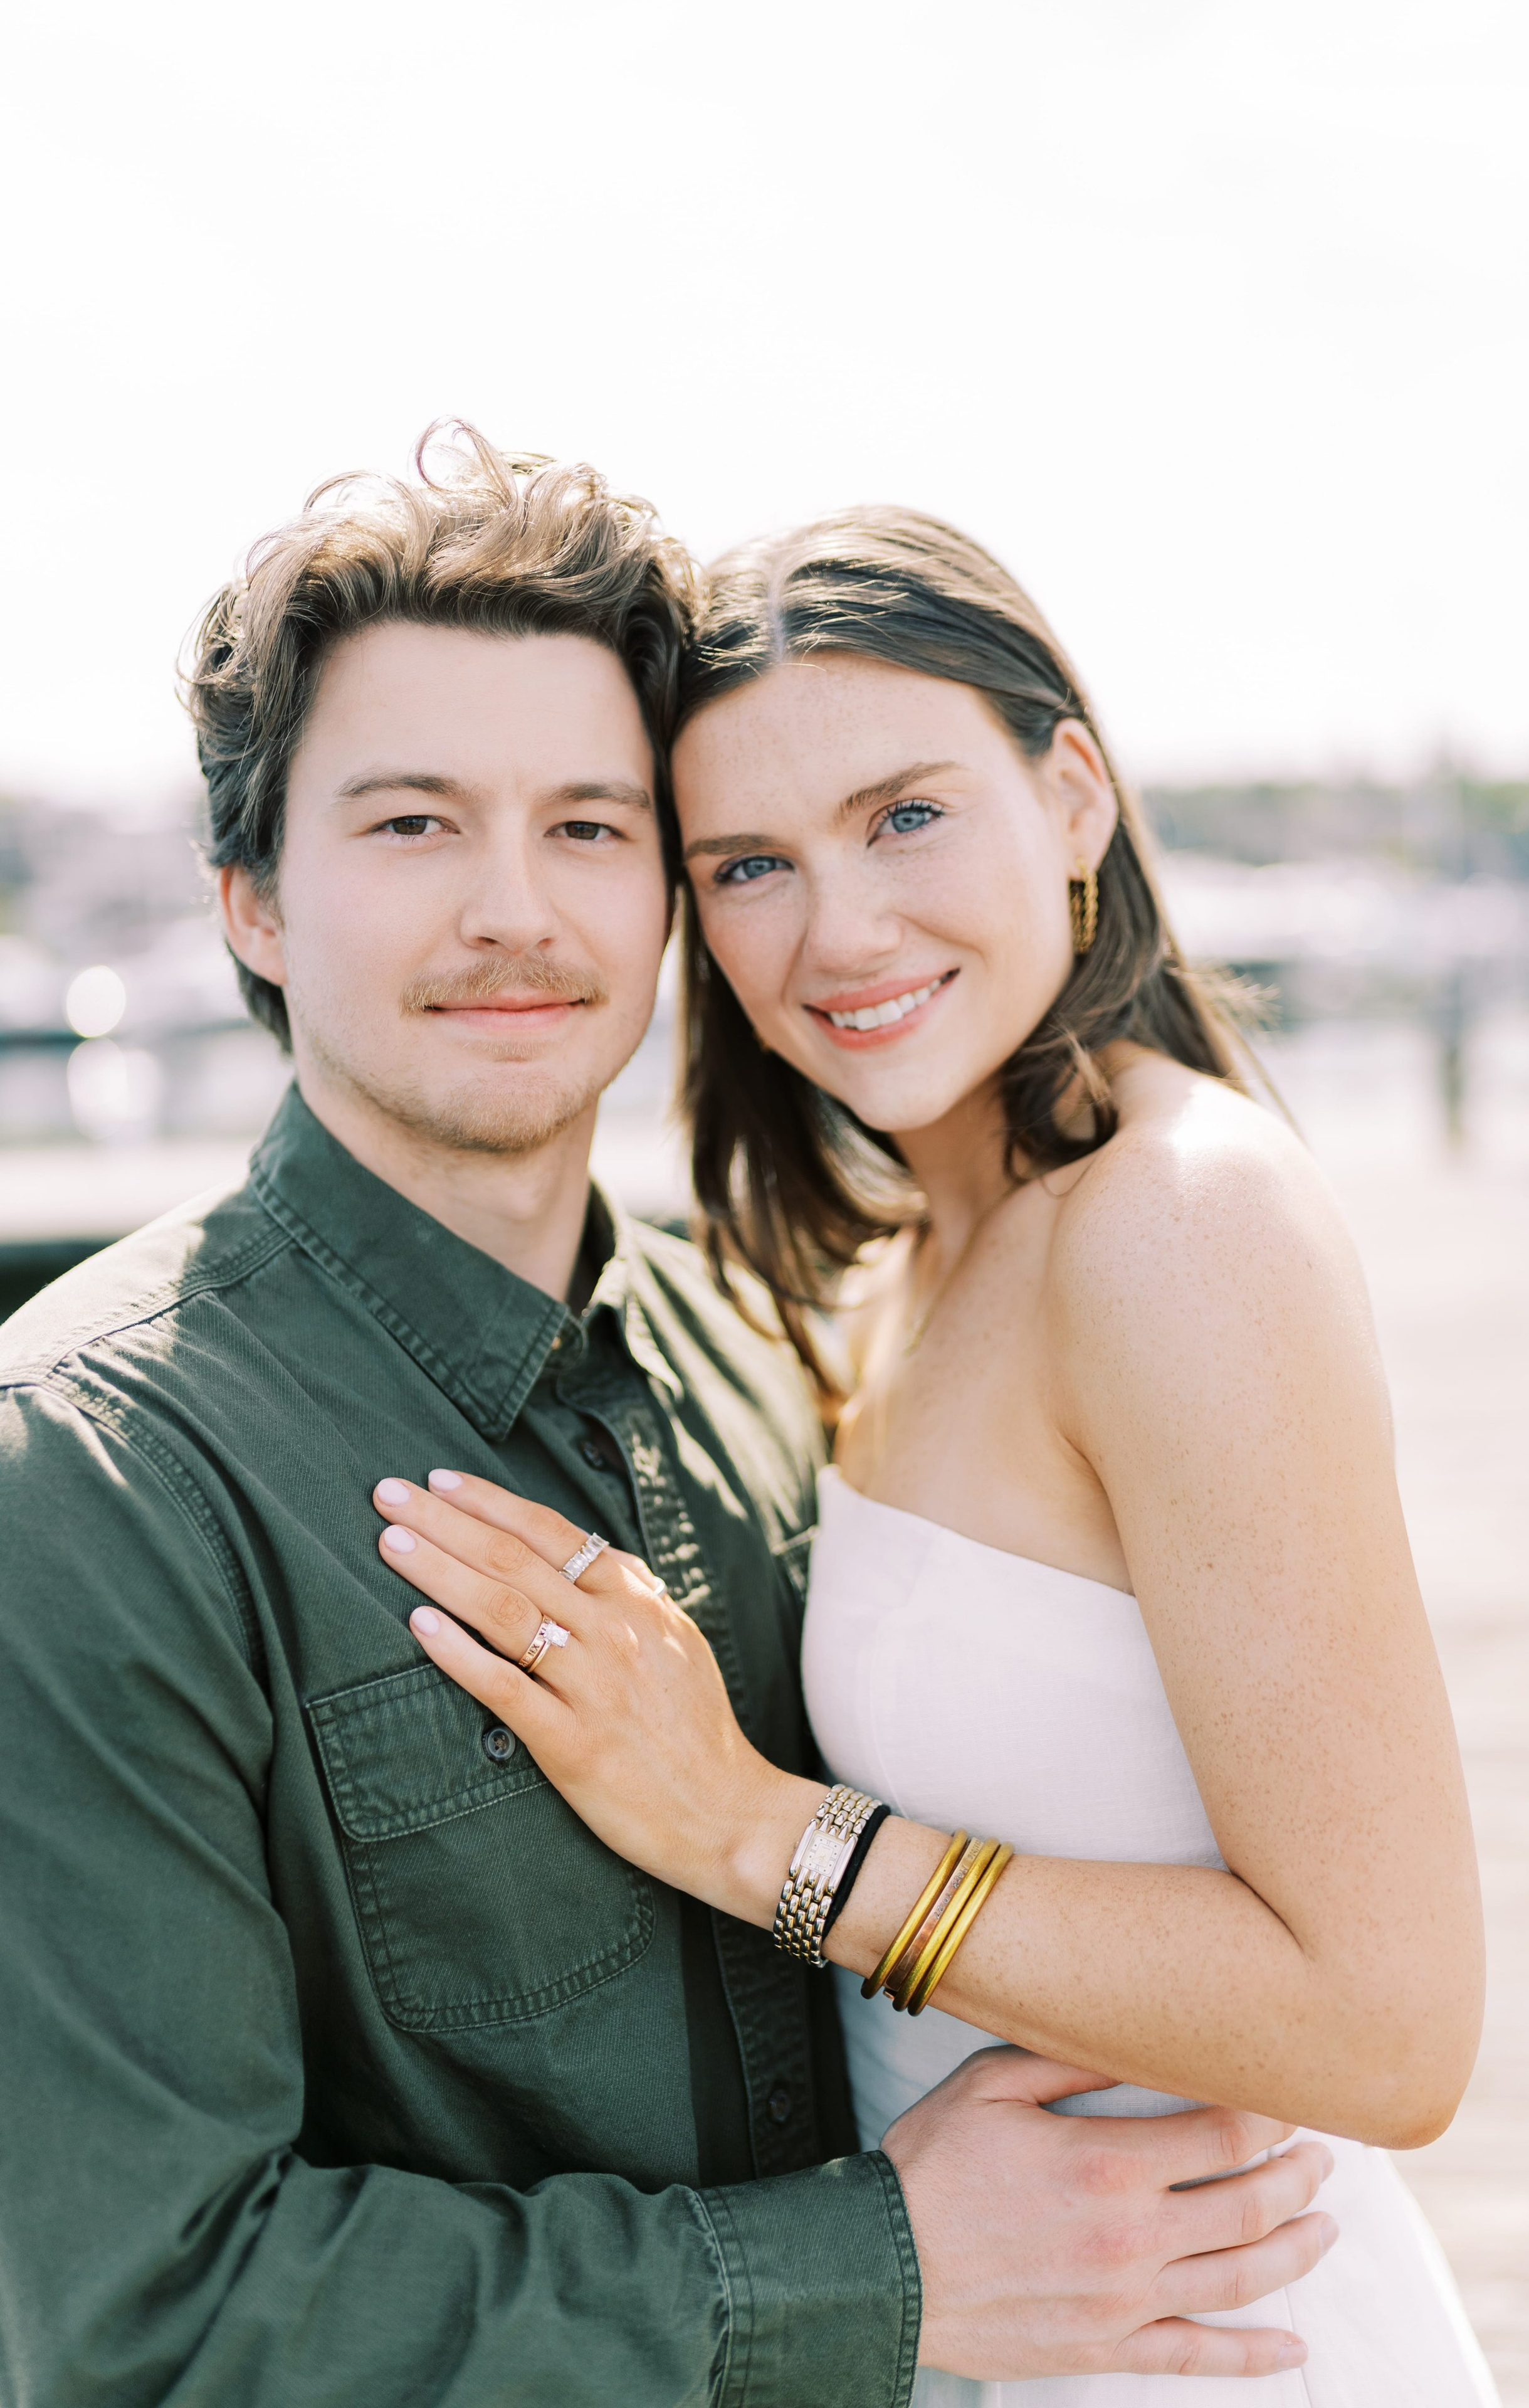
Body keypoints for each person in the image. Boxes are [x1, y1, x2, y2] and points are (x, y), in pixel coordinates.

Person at [0, 431, 1337, 2408]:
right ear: (252, 908)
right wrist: (879, 2272)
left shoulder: (762, 1356)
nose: (513, 913)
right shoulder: (94, 1479)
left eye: (593, 827)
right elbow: (146, 2313)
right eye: (409, 826)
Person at [385, 505, 1500, 2403]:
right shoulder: (920, 1248)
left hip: (1232, 2349)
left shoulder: (1178, 1219)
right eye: (750, 863)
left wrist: (755, 1835)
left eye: (906, 815)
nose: (842, 931)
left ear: (1070, 798)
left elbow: (1390, 2028)